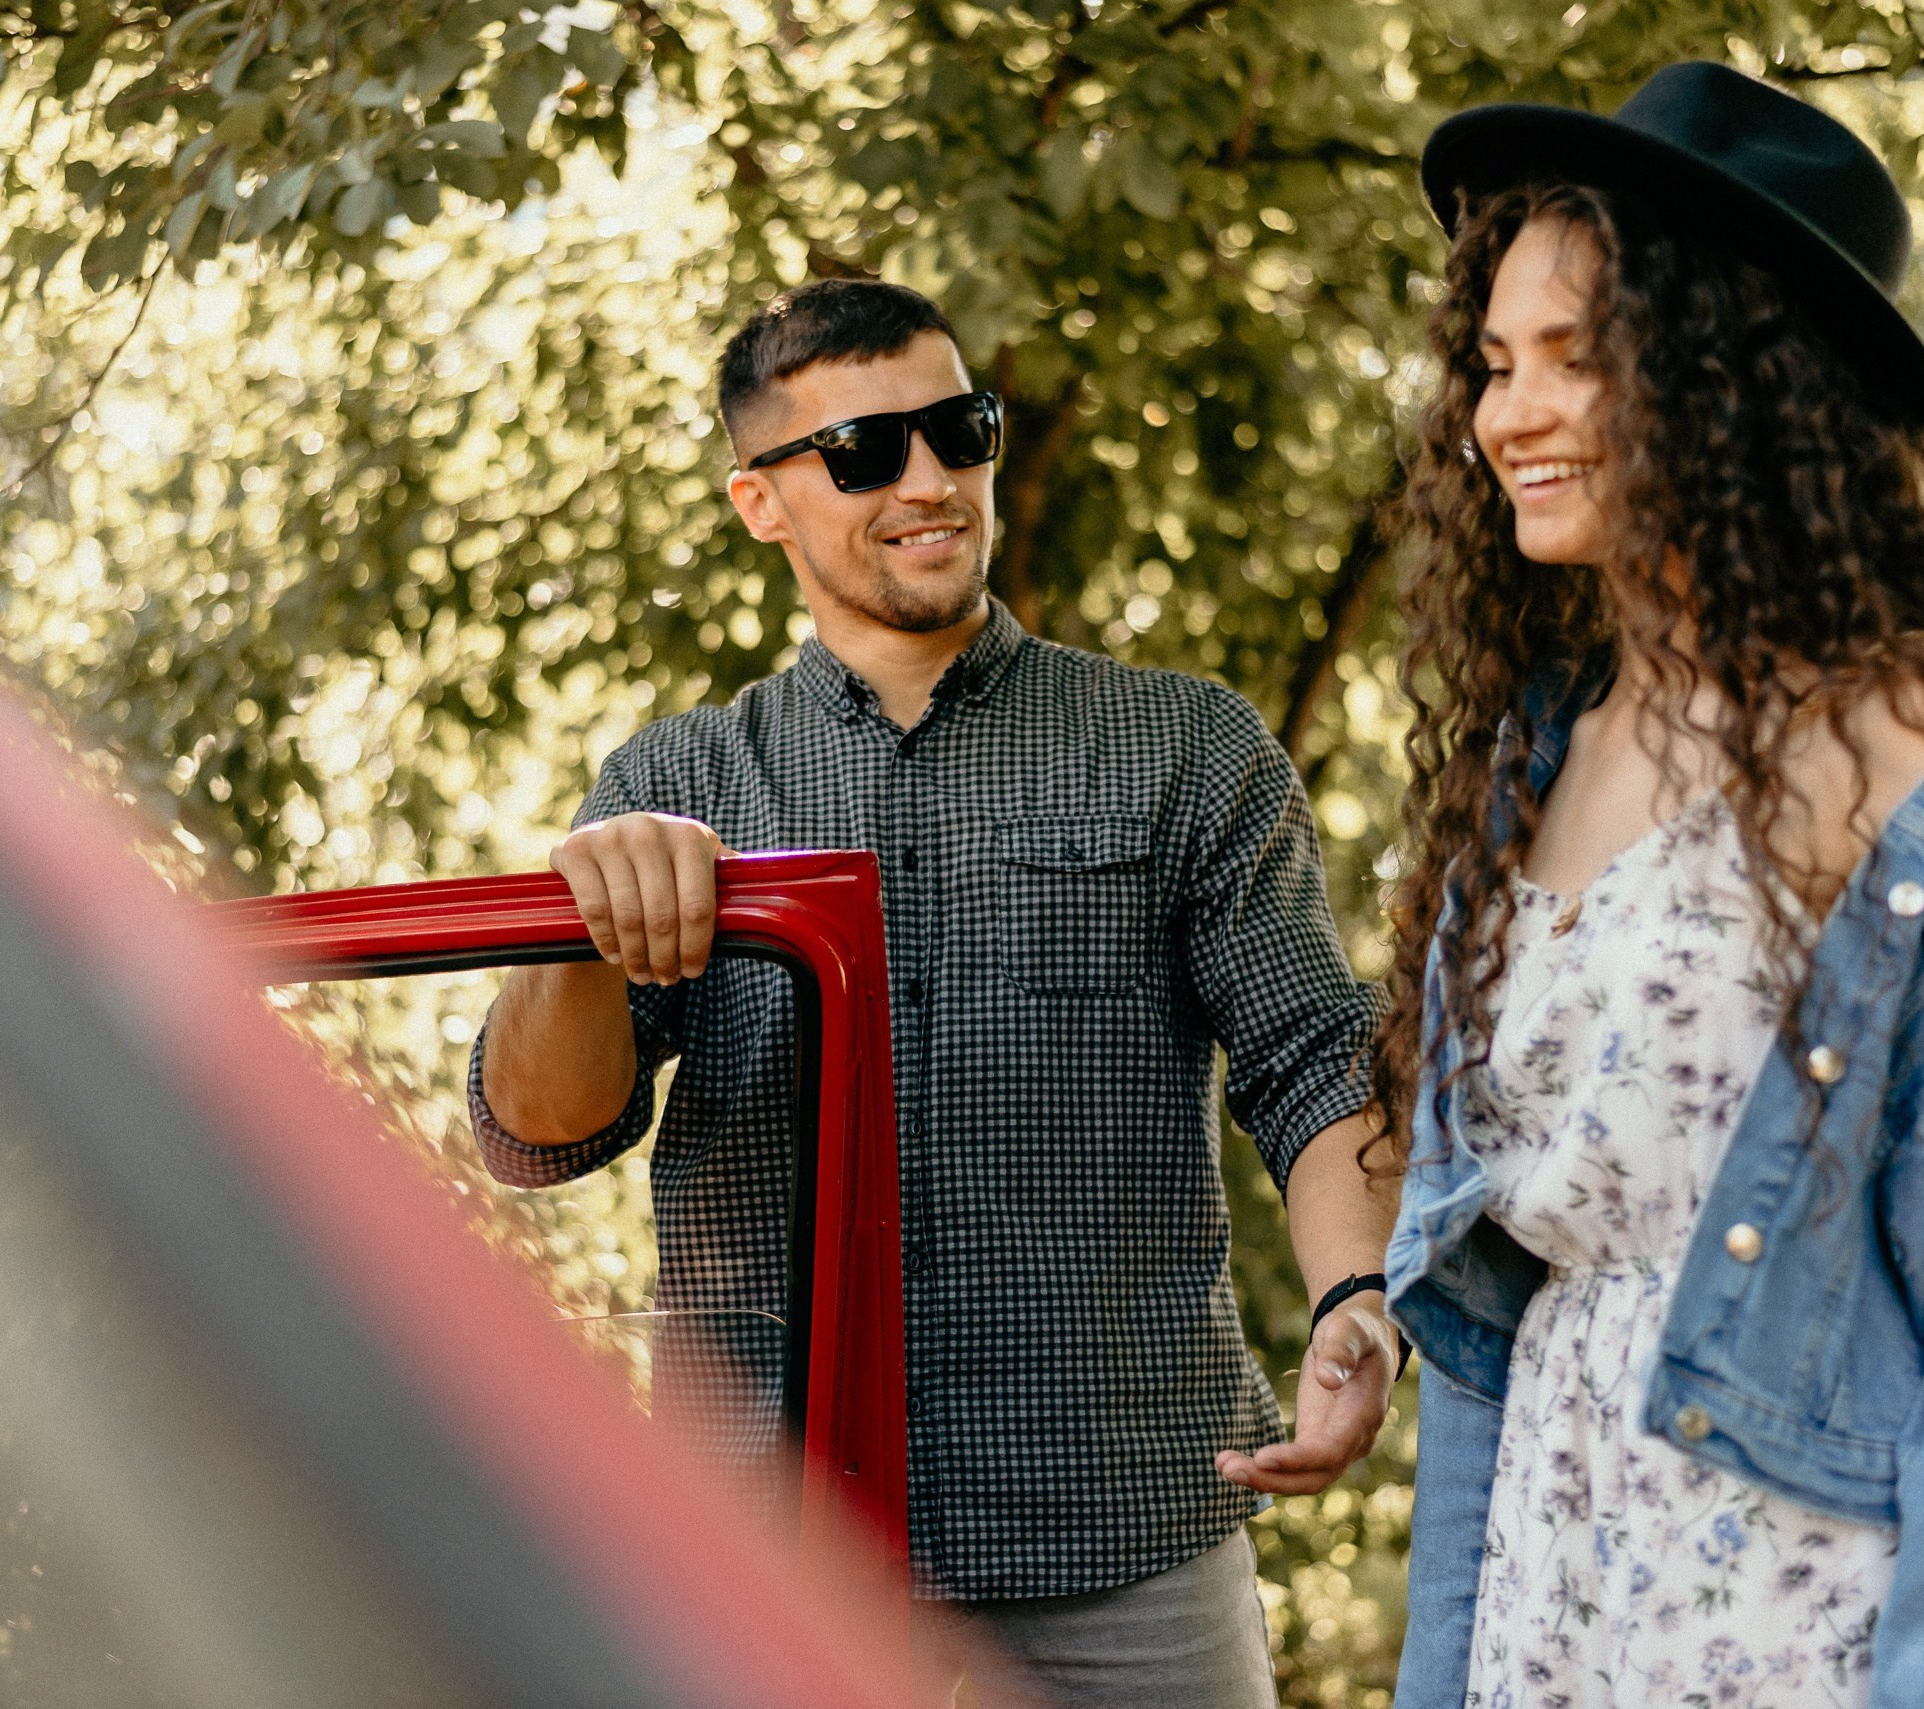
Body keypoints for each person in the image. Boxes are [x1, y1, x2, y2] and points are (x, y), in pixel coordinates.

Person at [1369, 61, 1924, 1709]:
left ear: (1737, 379)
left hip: (1800, 1628)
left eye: (1577, 358)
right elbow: (1495, 1324)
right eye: (1495, 363)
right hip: (1549, 1602)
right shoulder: (1537, 751)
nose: (1506, 416)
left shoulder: (1922, 764)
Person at [468, 278, 1398, 1706]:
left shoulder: (1184, 748)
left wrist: (1359, 1293)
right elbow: (536, 1136)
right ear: (761, 502)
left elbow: (1314, 1060)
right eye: (863, 451)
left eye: (959, 430)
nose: (927, 481)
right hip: (774, 1547)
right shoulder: (672, 783)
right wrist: (575, 930)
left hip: (1125, 1532)